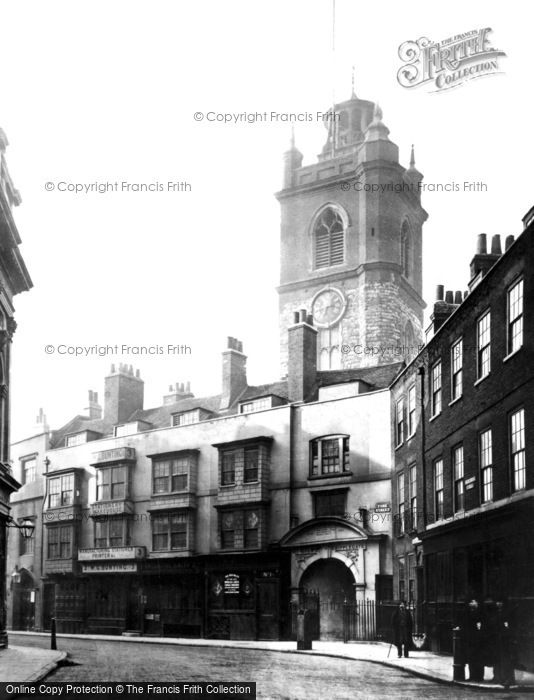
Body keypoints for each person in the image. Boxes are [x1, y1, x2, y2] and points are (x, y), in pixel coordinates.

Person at [492, 601, 516, 687]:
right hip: (499, 638)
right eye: (497, 602)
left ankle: (509, 679)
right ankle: (500, 678)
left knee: (507, 659)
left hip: (506, 639)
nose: (498, 604)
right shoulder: (498, 612)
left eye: (500, 602)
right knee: (499, 659)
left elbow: (508, 626)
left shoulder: (507, 613)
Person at [463, 599, 485, 682]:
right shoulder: (468, 612)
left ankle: (479, 677)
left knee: (479, 658)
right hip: (470, 638)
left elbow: (482, 625)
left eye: (473, 602)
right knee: (471, 658)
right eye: (470, 602)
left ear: (477, 603)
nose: (471, 603)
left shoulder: (480, 613)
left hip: (478, 639)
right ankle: (472, 676)